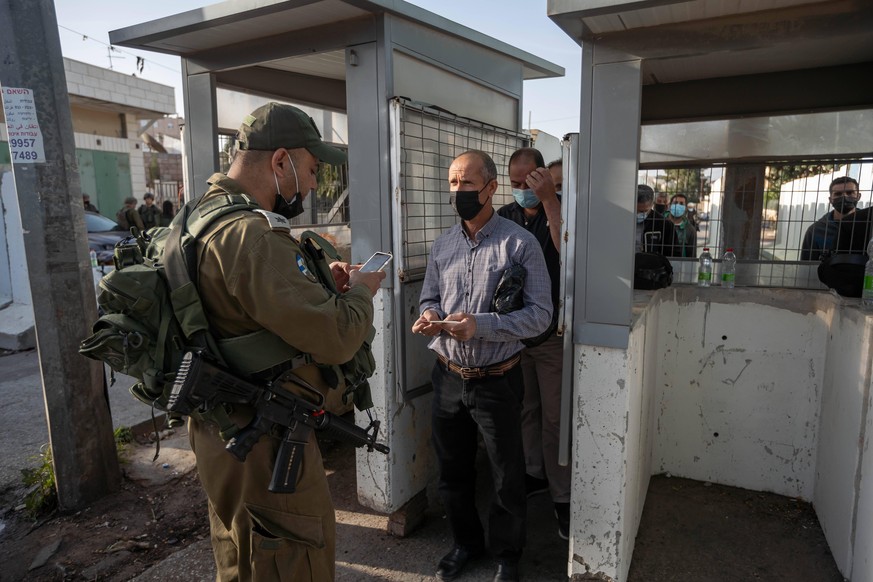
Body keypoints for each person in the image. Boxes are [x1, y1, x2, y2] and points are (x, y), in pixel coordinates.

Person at [187, 102, 385, 581]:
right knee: (292, 557)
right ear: (279, 162)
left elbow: (254, 313)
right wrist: (363, 290)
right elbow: (336, 337)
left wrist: (319, 286)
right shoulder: (251, 235)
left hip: (224, 427)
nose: (314, 183)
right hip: (262, 439)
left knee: (243, 554)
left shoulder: (203, 216)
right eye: (312, 169)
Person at [412, 150, 552, 582]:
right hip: (449, 377)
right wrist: (431, 317)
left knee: (506, 474)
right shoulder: (442, 244)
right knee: (453, 472)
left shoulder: (519, 243)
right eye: (453, 184)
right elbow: (429, 297)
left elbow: (541, 315)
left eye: (467, 184)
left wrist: (482, 326)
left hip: (498, 379)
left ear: (491, 188)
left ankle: (507, 554)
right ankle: (464, 544)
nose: (458, 192)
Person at [497, 147, 571, 540]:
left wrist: (549, 201)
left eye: (528, 182)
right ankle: (533, 475)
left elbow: (567, 252)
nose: (521, 190)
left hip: (551, 335)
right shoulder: (505, 218)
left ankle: (562, 498)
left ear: (541, 176)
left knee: (555, 418)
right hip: (515, 335)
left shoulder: (556, 209)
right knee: (526, 409)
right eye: (514, 184)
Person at [801, 176, 867, 260]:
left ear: (858, 196)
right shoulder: (816, 230)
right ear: (830, 199)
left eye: (850, 192)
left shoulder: (869, 224)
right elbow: (807, 267)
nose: (844, 197)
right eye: (838, 194)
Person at [636, 185, 675, 254]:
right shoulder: (620, 219)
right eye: (636, 210)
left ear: (652, 205)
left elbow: (673, 253)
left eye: (643, 211)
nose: (638, 214)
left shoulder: (664, 225)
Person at [663, 193, 697, 257]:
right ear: (669, 205)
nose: (678, 205)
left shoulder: (690, 230)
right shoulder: (660, 222)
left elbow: (692, 255)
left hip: (680, 265)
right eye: (675, 202)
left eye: (681, 204)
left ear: (686, 208)